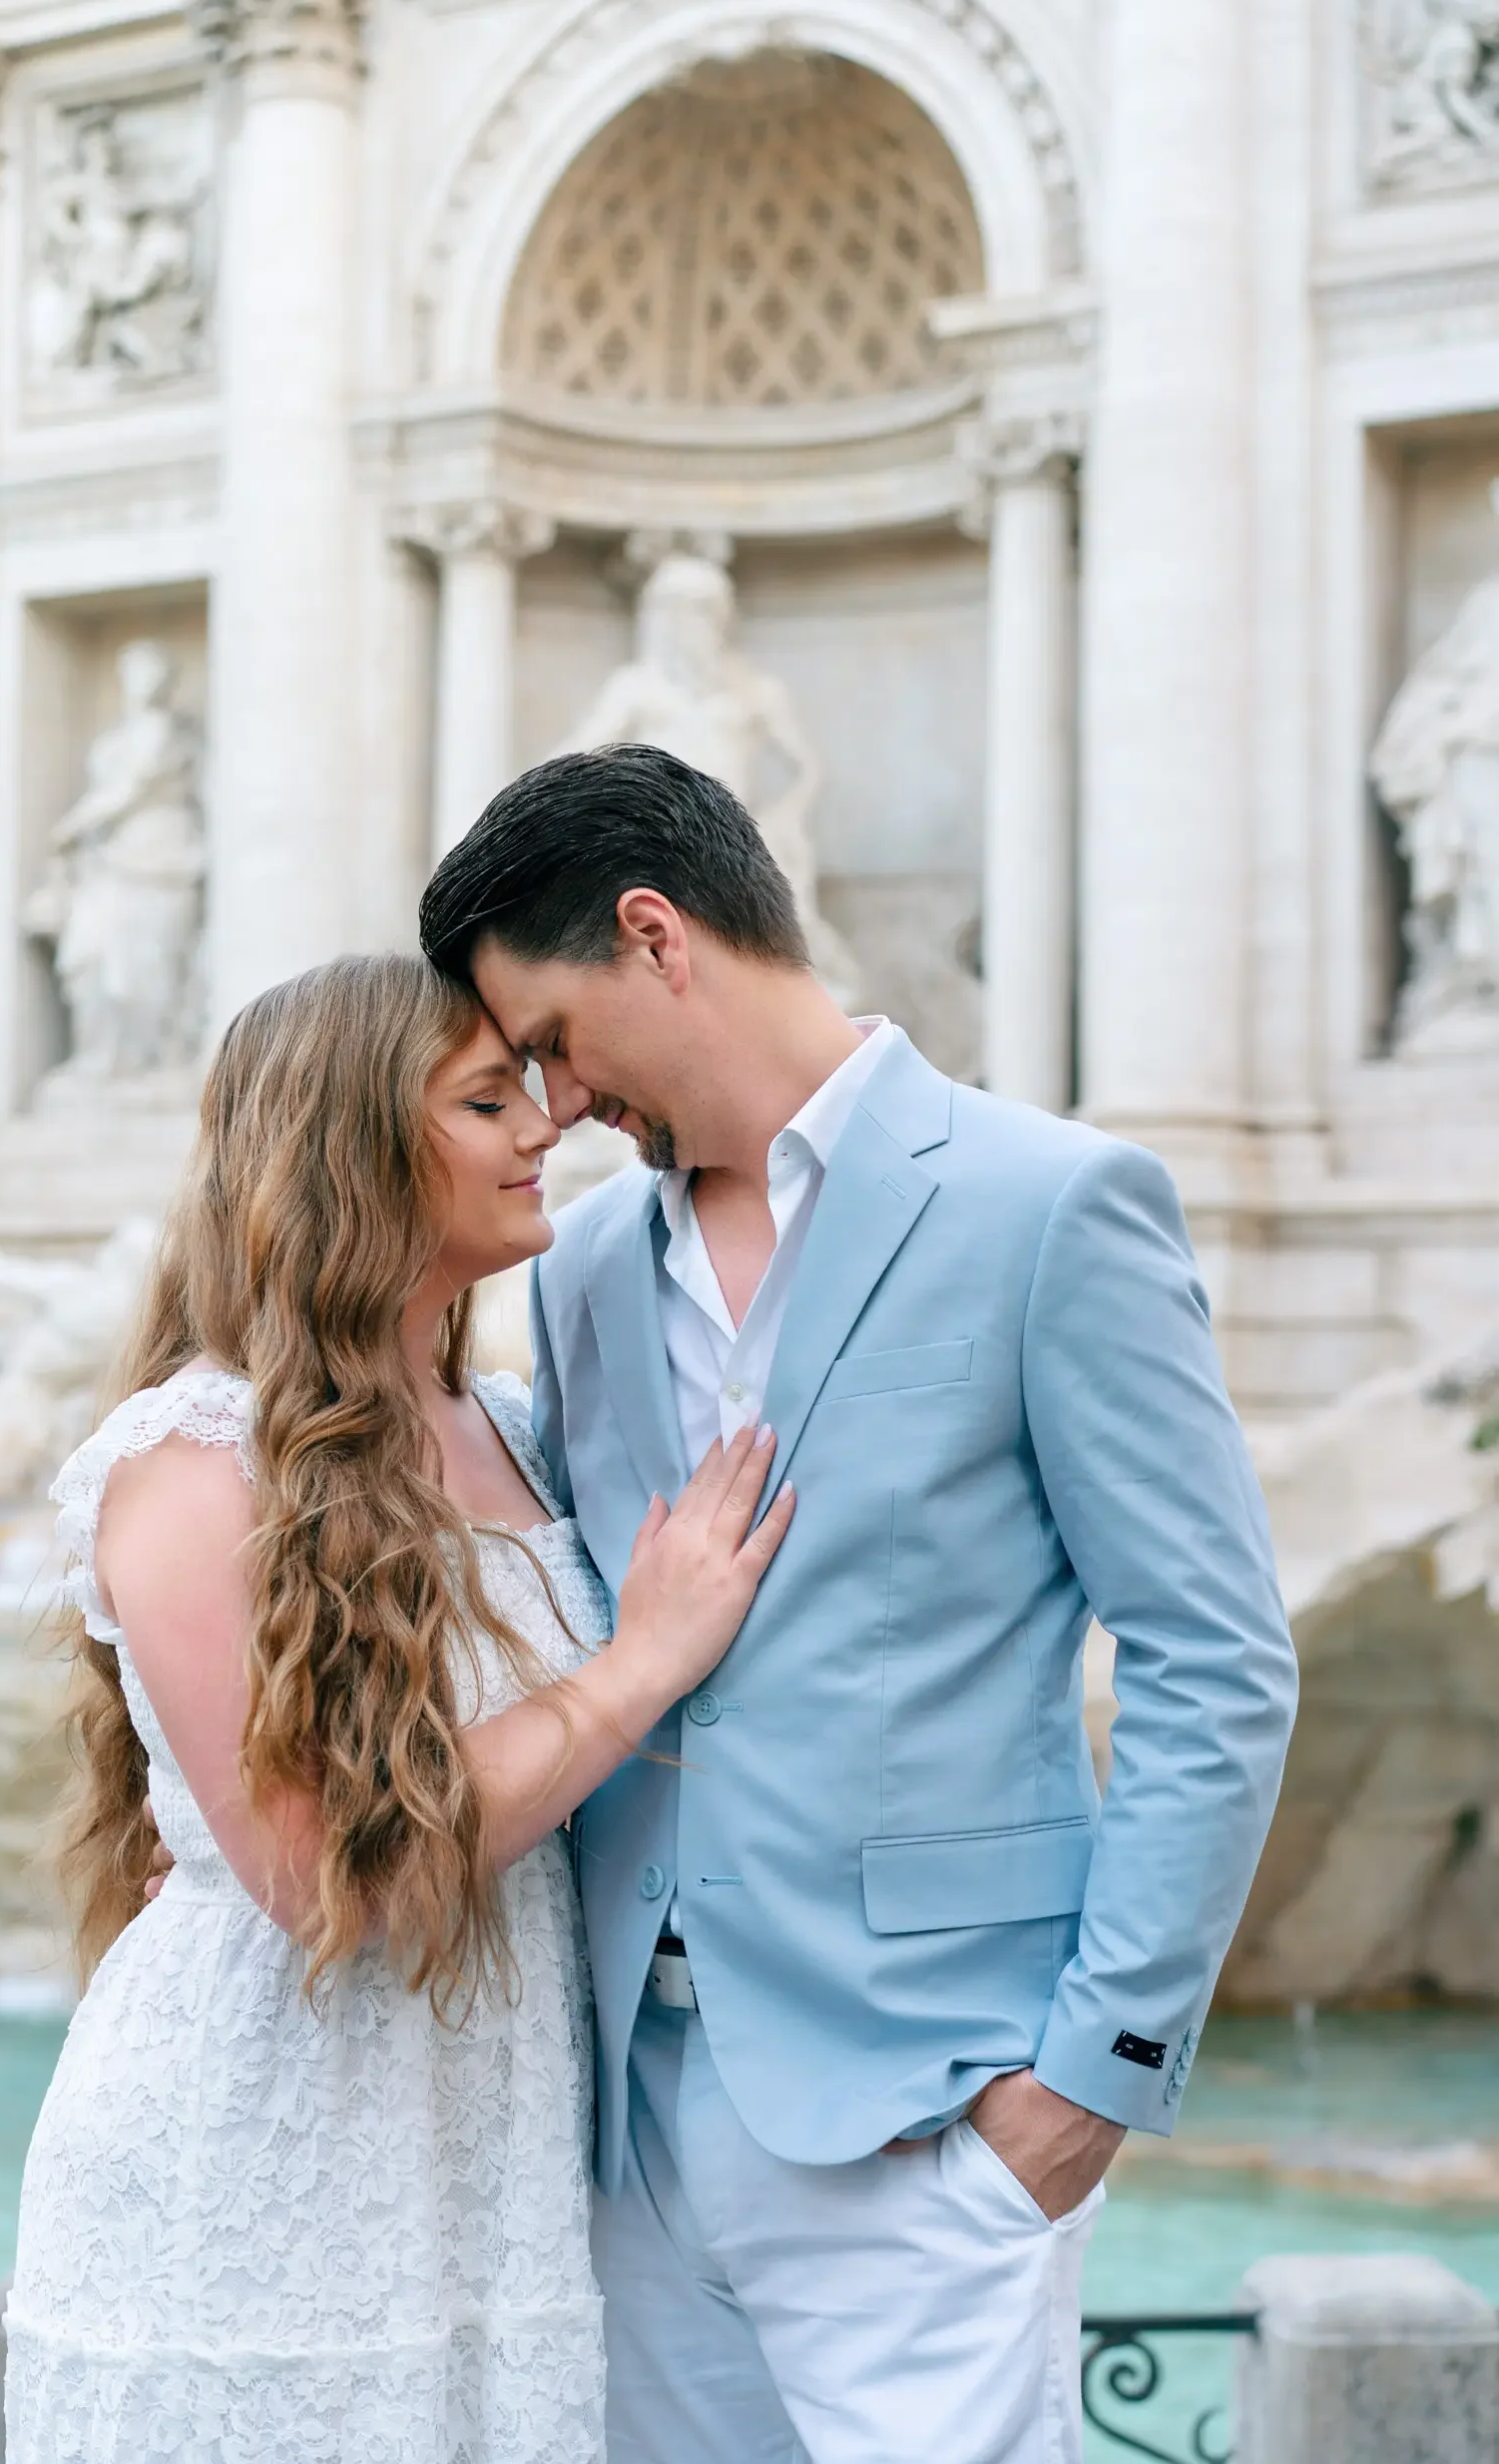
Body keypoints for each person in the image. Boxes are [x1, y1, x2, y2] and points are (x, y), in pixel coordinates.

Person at [418, 743, 1300, 2464]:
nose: (556, 1102)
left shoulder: (1052, 1206)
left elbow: (1214, 1661)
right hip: (627, 2128)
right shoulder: (589, 1267)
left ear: (656, 937)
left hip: (933, 2122)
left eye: (551, 1041)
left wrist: (1089, 2083)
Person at [5, 952, 792, 2463]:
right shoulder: (187, 1459)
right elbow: (322, 1879)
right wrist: (641, 1659)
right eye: (485, 1098)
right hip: (263, 2153)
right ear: (354, 1144)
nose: (543, 1122)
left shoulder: (509, 1423)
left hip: (489, 2157)